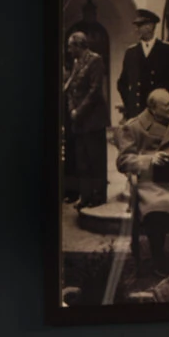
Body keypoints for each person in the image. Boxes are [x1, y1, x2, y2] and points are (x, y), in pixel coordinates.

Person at [113, 88, 169, 276]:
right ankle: (159, 259)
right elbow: (123, 161)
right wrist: (149, 159)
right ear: (153, 108)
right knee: (158, 207)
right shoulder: (134, 127)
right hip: (151, 181)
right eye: (167, 105)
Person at [62, 28, 109, 208]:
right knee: (82, 160)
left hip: (93, 119)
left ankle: (98, 195)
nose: (68, 50)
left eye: (70, 46)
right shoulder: (77, 62)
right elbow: (73, 89)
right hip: (80, 120)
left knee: (95, 159)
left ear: (78, 45)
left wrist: (78, 111)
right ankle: (86, 195)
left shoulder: (95, 60)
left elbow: (95, 90)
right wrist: (72, 109)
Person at [117, 10, 169, 119]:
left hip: (158, 113)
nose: (136, 29)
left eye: (139, 26)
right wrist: (129, 104)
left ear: (150, 27)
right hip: (137, 112)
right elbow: (122, 83)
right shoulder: (131, 52)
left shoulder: (167, 50)